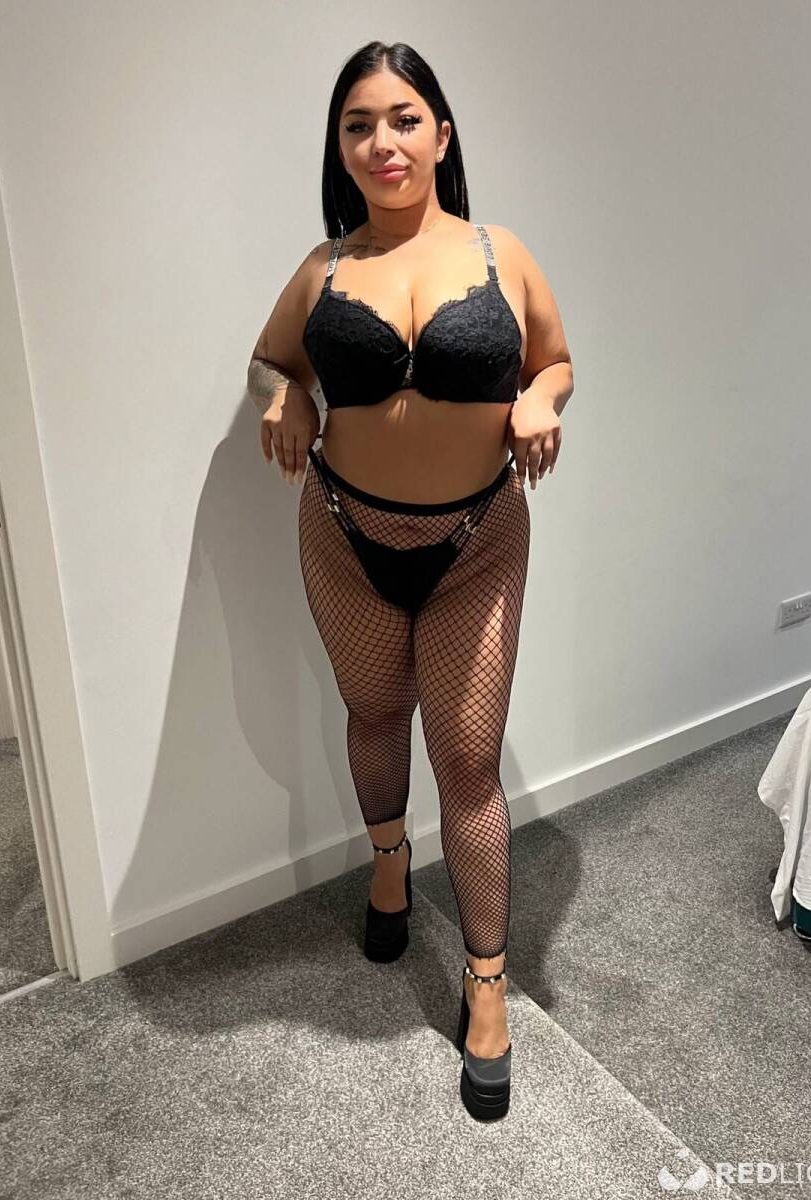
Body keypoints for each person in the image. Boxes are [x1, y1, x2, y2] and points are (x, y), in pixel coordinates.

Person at [246, 40, 573, 1121]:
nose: (381, 141)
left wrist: (540, 399)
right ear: (339, 147)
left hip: (477, 541)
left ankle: (487, 983)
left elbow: (556, 358)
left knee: (468, 761)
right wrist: (284, 395)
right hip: (345, 532)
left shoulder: (500, 252)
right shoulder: (325, 267)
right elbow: (270, 356)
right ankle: (389, 862)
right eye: (358, 125)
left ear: (441, 132)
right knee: (376, 712)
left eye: (402, 118)